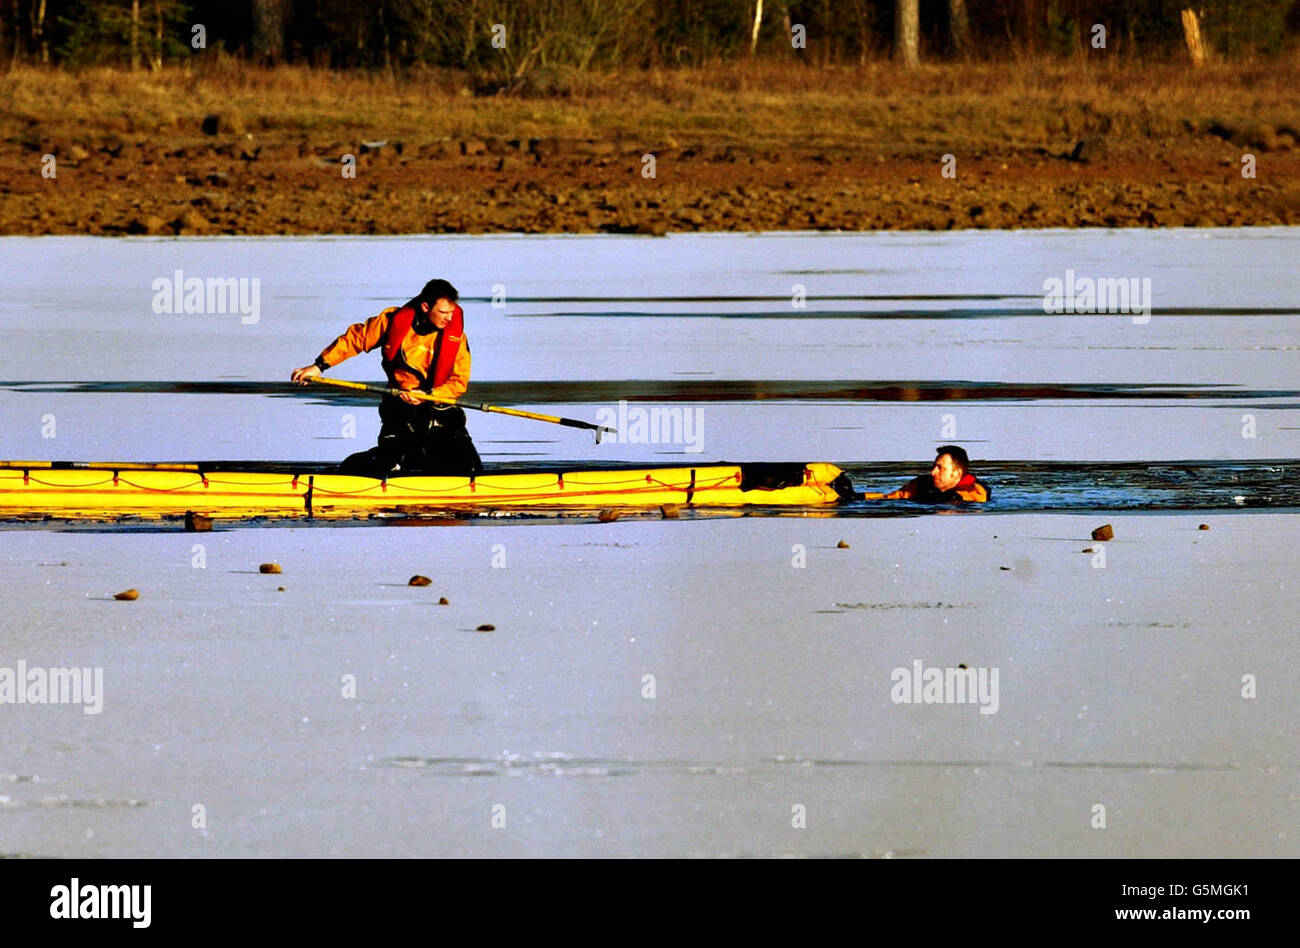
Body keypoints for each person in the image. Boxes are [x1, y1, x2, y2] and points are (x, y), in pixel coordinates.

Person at [290, 279, 483, 477]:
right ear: (425, 307)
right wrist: (318, 366)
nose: (449, 318)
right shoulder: (392, 321)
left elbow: (458, 382)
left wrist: (429, 395)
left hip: (441, 410)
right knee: (391, 469)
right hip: (400, 409)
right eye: (443, 312)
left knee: (470, 469)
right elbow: (356, 339)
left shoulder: (457, 338)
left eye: (452, 312)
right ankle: (359, 465)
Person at [862, 445, 990, 503]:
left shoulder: (976, 491)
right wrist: (857, 496)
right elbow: (889, 498)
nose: (933, 472)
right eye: (934, 466)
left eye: (940, 468)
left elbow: (958, 500)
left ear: (956, 473)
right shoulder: (922, 484)